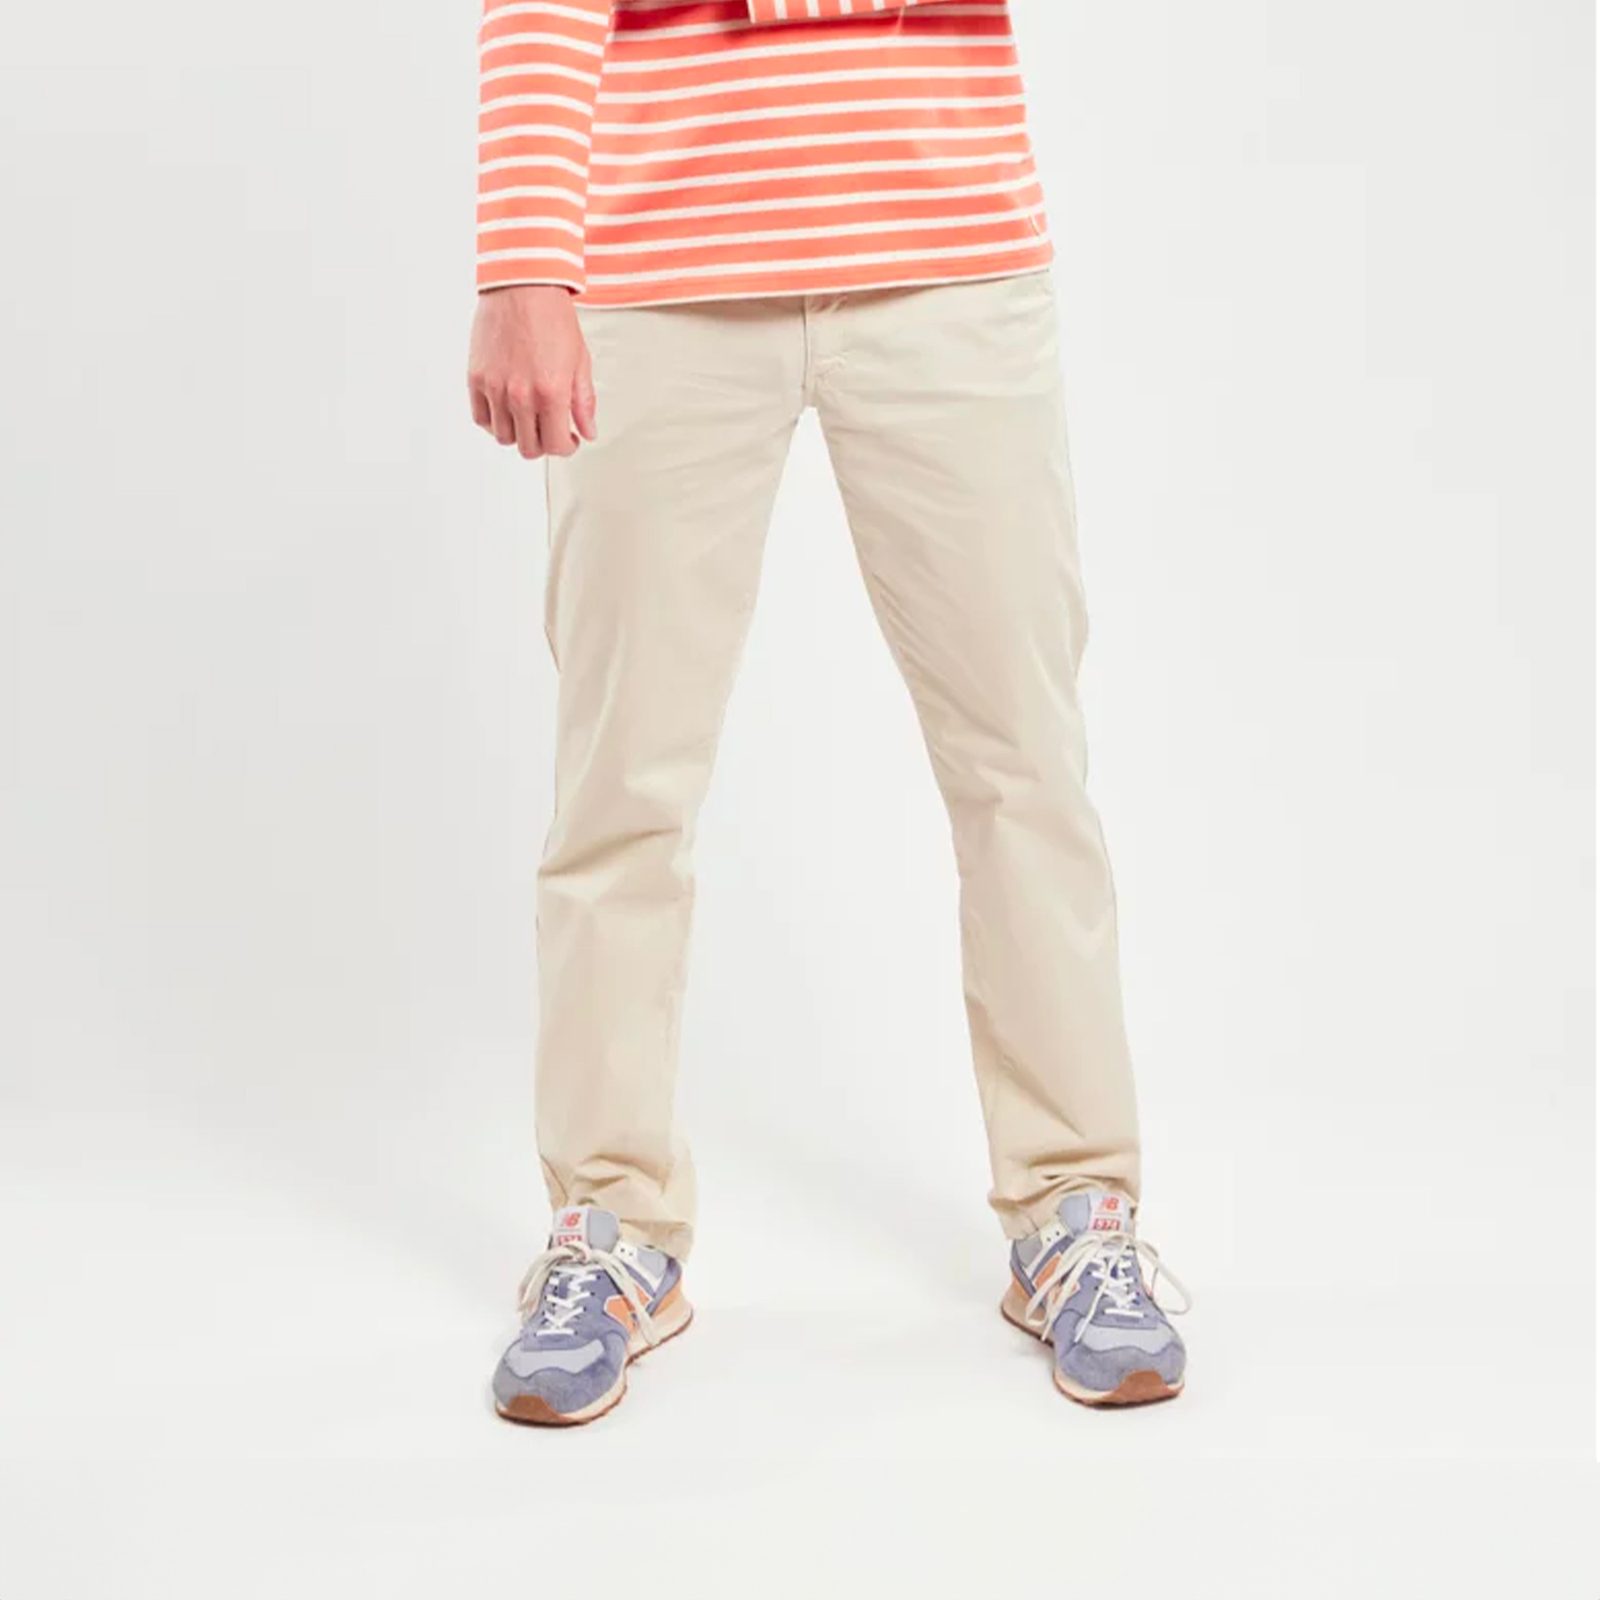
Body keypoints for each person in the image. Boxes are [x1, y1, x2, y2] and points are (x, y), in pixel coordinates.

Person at [468, 0, 1189, 1425]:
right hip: (654, 268)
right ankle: (610, 1227)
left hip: (948, 254)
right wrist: (524, 260)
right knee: (620, 786)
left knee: (1025, 766)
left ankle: (1075, 1209)